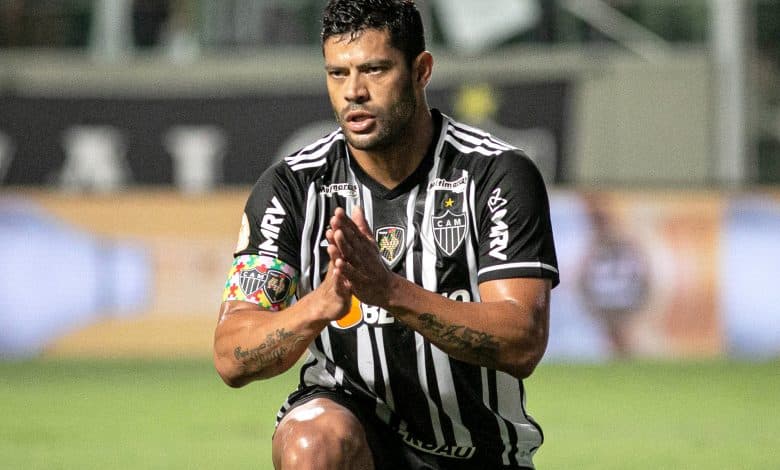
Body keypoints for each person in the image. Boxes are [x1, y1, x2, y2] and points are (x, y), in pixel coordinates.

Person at [213, 1, 559, 469]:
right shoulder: (292, 188)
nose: (353, 92)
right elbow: (232, 355)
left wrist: (389, 291)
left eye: (374, 70)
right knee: (312, 445)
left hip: (480, 453)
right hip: (357, 435)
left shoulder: (495, 175)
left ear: (421, 70)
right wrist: (321, 304)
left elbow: (522, 341)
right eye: (337, 73)